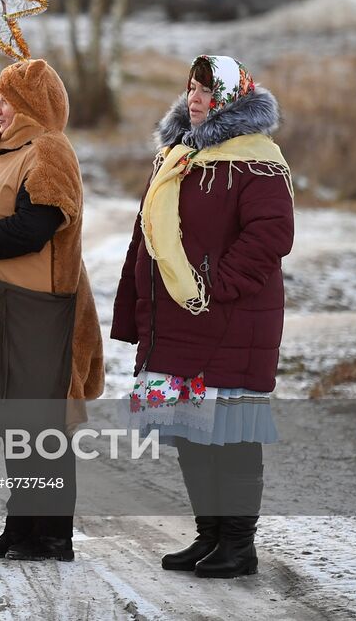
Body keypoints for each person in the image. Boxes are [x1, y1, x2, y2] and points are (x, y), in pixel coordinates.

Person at [113, 54, 292, 579]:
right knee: (192, 434)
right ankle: (210, 535)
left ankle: (239, 545)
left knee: (232, 438)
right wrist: (135, 310)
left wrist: (214, 288)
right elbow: (145, 239)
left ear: (232, 100)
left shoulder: (257, 161)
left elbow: (270, 238)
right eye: (192, 89)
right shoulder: (174, 157)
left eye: (208, 93)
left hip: (230, 318)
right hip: (178, 319)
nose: (195, 100)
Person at [0, 57, 104, 563]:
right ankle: (22, 524)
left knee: (45, 426)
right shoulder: (7, 156)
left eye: (8, 101)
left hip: (42, 310)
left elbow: (32, 229)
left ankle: (53, 533)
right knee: (19, 423)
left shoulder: (49, 151)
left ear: (32, 107)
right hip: (5, 304)